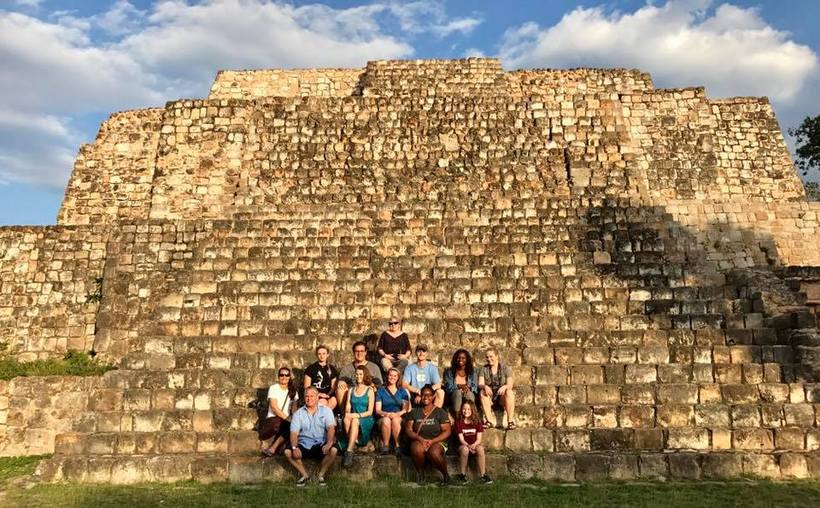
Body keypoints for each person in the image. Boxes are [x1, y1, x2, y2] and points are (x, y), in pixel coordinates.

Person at [284, 386, 338, 486]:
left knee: (334, 450)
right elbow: (294, 433)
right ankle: (305, 475)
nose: (309, 399)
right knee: (288, 452)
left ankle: (320, 475)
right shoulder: (298, 414)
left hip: (321, 443)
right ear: (304, 398)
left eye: (312, 396)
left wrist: (329, 443)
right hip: (304, 444)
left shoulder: (326, 410)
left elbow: (331, 428)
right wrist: (294, 447)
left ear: (317, 397)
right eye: (307, 396)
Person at [404, 384, 452, 486]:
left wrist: (432, 441)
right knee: (416, 448)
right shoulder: (414, 412)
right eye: (424, 395)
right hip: (419, 440)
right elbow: (408, 430)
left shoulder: (440, 412)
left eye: (429, 395)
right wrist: (420, 438)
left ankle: (446, 475)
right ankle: (421, 474)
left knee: (434, 453)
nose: (426, 397)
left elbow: (447, 431)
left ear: (433, 396)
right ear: (420, 396)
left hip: (437, 441)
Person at [340, 366, 376, 467]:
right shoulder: (351, 390)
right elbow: (348, 407)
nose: (358, 376)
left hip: (366, 418)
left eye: (360, 374)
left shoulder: (369, 390)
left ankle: (349, 451)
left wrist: (357, 415)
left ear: (365, 375)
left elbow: (370, 412)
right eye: (357, 374)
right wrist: (348, 413)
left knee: (355, 420)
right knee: (346, 418)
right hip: (354, 417)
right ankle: (355, 443)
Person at [261, 366, 299, 456]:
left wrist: (295, 420)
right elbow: (274, 407)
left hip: (285, 421)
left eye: (287, 375)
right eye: (281, 375)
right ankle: (273, 448)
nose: (284, 377)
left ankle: (277, 448)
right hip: (274, 420)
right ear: (278, 376)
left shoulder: (293, 391)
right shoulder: (274, 388)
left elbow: (294, 409)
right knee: (287, 424)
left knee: (293, 425)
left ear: (289, 377)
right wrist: (288, 419)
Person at [336, 341, 383, 411]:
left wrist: (373, 386)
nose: (359, 353)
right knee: (340, 389)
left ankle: (371, 415)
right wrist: (341, 382)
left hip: (367, 395)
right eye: (357, 351)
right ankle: (345, 415)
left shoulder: (374, 367)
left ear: (365, 352)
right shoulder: (347, 369)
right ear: (353, 352)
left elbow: (379, 383)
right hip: (353, 396)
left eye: (362, 351)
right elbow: (341, 380)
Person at [454, 400, 492, 484]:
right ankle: (462, 475)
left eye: (468, 409)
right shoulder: (458, 422)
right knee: (465, 449)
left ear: (472, 410)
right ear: (461, 410)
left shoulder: (477, 422)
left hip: (474, 445)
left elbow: (479, 439)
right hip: (463, 446)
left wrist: (473, 445)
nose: (466, 411)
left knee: (481, 448)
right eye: (464, 409)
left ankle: (483, 475)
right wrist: (469, 446)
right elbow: (461, 440)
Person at [478, 347, 516, 429]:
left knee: (509, 392)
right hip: (490, 398)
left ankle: (510, 421)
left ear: (497, 356)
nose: (489, 359)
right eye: (487, 357)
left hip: (501, 398)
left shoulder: (505, 368)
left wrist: (505, 386)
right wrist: (485, 386)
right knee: (482, 392)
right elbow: (480, 383)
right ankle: (489, 421)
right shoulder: (483, 369)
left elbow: (510, 384)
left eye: (491, 356)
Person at [375, 367, 411, 454]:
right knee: (386, 420)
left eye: (395, 376)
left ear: (398, 378)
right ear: (387, 376)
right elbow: (378, 410)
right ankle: (386, 446)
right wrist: (387, 414)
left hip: (398, 416)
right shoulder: (381, 391)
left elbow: (405, 408)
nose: (392, 377)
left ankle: (397, 445)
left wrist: (397, 414)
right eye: (390, 375)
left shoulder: (402, 391)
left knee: (395, 420)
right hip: (384, 416)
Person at [402, 344, 444, 408]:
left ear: (427, 353)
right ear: (416, 353)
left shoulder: (432, 368)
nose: (421, 353)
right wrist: (417, 391)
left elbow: (438, 384)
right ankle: (408, 414)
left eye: (423, 351)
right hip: (414, 394)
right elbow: (404, 384)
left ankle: (434, 414)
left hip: (429, 394)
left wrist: (423, 393)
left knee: (440, 392)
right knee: (405, 391)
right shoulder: (409, 368)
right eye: (419, 351)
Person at [442, 348, 478, 415]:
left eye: (463, 358)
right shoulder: (449, 371)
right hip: (453, 395)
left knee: (469, 394)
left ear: (467, 359)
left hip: (467, 392)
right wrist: (459, 386)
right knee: (458, 392)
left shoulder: (473, 371)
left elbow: (475, 386)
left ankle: (471, 417)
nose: (460, 360)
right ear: (455, 359)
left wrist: (468, 388)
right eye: (458, 358)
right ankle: (458, 417)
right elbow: (448, 387)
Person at [304, 344, 339, 410]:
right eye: (319, 354)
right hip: (315, 395)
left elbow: (333, 386)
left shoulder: (331, 369)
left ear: (327, 355)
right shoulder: (311, 368)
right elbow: (306, 386)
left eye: (324, 353)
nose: (322, 356)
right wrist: (319, 394)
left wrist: (328, 395)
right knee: (323, 402)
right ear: (316, 355)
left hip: (328, 394)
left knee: (334, 400)